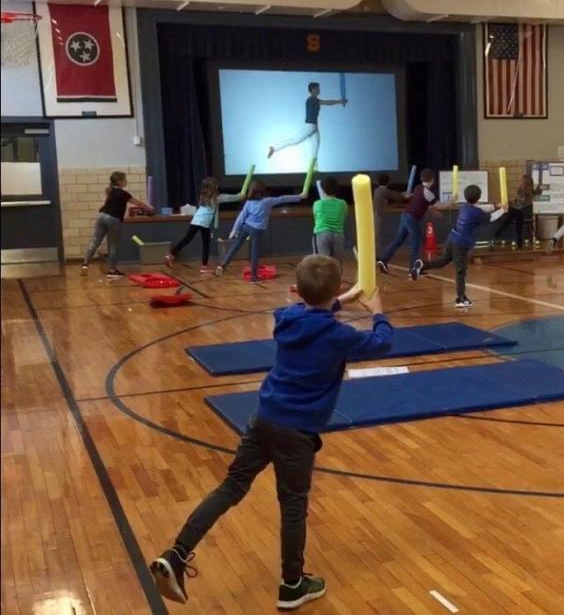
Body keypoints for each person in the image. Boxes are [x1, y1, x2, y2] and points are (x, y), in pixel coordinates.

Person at [150, 255, 393, 610]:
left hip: (264, 418)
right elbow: (382, 343)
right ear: (335, 288)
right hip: (297, 431)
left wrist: (344, 299)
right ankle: (292, 584)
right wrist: (378, 311)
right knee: (293, 506)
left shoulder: (287, 318)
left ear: (298, 288)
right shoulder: (338, 336)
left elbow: (314, 313)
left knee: (230, 487)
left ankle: (177, 553)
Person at [410, 184, 504, 308]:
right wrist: (503, 210)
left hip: (452, 238)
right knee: (461, 272)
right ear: (479, 196)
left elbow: (481, 209)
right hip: (461, 244)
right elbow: (491, 217)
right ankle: (460, 298)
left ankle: (422, 265)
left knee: (443, 261)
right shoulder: (476, 212)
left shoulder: (464, 207)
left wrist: (496, 206)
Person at [216, 180, 305, 283]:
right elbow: (282, 199)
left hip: (246, 226)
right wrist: (299, 196)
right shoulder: (267, 201)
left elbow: (241, 217)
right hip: (257, 230)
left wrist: (234, 230)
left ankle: (223, 265)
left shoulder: (249, 202)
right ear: (262, 190)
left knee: (236, 246)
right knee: (254, 252)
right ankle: (254, 277)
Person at [80, 171, 154, 277]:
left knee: (95, 241)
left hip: (101, 216)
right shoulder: (124, 194)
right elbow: (138, 203)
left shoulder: (110, 190)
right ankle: (112, 270)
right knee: (113, 245)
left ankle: (85, 265)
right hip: (113, 219)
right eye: (124, 179)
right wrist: (149, 208)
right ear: (120, 182)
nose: (126, 181)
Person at [164, 177, 244, 273]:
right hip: (203, 223)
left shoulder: (203, 196)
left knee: (187, 239)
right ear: (214, 187)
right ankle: (204, 267)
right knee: (206, 243)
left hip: (196, 220)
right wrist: (241, 195)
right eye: (216, 185)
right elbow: (231, 198)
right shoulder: (217, 198)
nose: (218, 186)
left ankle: (171, 255)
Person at [377, 168, 439, 274]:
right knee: (416, 243)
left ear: (421, 178)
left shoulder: (417, 188)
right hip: (412, 219)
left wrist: (433, 211)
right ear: (432, 180)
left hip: (405, 216)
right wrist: (451, 202)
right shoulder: (427, 192)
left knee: (399, 240)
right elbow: (438, 204)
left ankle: (383, 259)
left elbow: (423, 204)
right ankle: (413, 269)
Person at [267, 82, 347, 161]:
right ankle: (274, 147)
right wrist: (339, 101)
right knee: (295, 140)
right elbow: (327, 103)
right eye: (317, 88)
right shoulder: (311, 100)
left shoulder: (315, 100)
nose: (319, 89)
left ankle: (314, 170)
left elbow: (326, 103)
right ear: (313, 90)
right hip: (309, 126)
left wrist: (340, 101)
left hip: (315, 128)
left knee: (315, 150)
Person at [494, 174, 541, 249]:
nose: (521, 182)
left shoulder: (525, 190)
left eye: (523, 181)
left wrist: (511, 203)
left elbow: (521, 202)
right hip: (522, 211)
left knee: (511, 215)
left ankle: (499, 232)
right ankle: (518, 243)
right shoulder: (526, 190)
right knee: (513, 216)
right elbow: (519, 201)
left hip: (523, 211)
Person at [312, 177, 348, 266]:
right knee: (336, 265)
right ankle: (336, 280)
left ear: (323, 189)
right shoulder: (342, 203)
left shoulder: (317, 204)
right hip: (338, 235)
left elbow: (316, 218)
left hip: (322, 234)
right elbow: (343, 218)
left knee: (322, 265)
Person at [373, 173, 410, 254]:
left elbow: (395, 194)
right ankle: (376, 255)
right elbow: (398, 196)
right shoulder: (383, 191)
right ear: (388, 182)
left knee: (376, 236)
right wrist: (406, 195)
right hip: (377, 216)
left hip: (376, 215)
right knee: (376, 236)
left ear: (377, 182)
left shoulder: (378, 190)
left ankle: (376, 254)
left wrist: (403, 194)